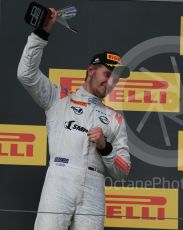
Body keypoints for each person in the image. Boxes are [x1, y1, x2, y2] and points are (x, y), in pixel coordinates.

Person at [17, 8, 131, 230]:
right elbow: (26, 74)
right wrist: (41, 34)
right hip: (59, 178)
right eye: (108, 74)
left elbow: (123, 171)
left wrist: (105, 147)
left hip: (95, 187)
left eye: (115, 79)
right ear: (91, 70)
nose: (110, 83)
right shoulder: (59, 98)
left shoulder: (115, 118)